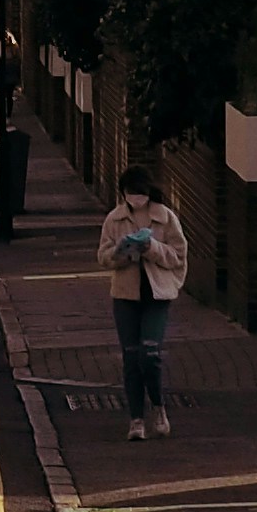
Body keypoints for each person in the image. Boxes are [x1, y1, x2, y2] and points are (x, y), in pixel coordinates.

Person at [95, 167, 187, 438]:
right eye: (130, 193)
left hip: (157, 296)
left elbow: (178, 256)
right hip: (125, 296)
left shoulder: (165, 218)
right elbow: (103, 257)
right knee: (131, 357)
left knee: (150, 354)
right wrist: (122, 252)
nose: (135, 198)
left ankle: (158, 407)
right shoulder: (114, 219)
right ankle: (136, 420)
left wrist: (151, 248)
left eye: (139, 193)